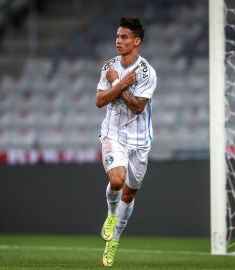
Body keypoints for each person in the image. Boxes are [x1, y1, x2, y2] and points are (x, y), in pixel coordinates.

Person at [95, 17, 157, 267]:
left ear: (136, 41)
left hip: (140, 142)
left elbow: (138, 108)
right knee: (117, 181)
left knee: (129, 195)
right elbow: (100, 101)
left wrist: (117, 85)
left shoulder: (146, 72)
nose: (118, 41)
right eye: (117, 37)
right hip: (113, 135)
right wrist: (119, 82)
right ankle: (111, 216)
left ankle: (114, 241)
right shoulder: (109, 67)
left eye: (124, 37)